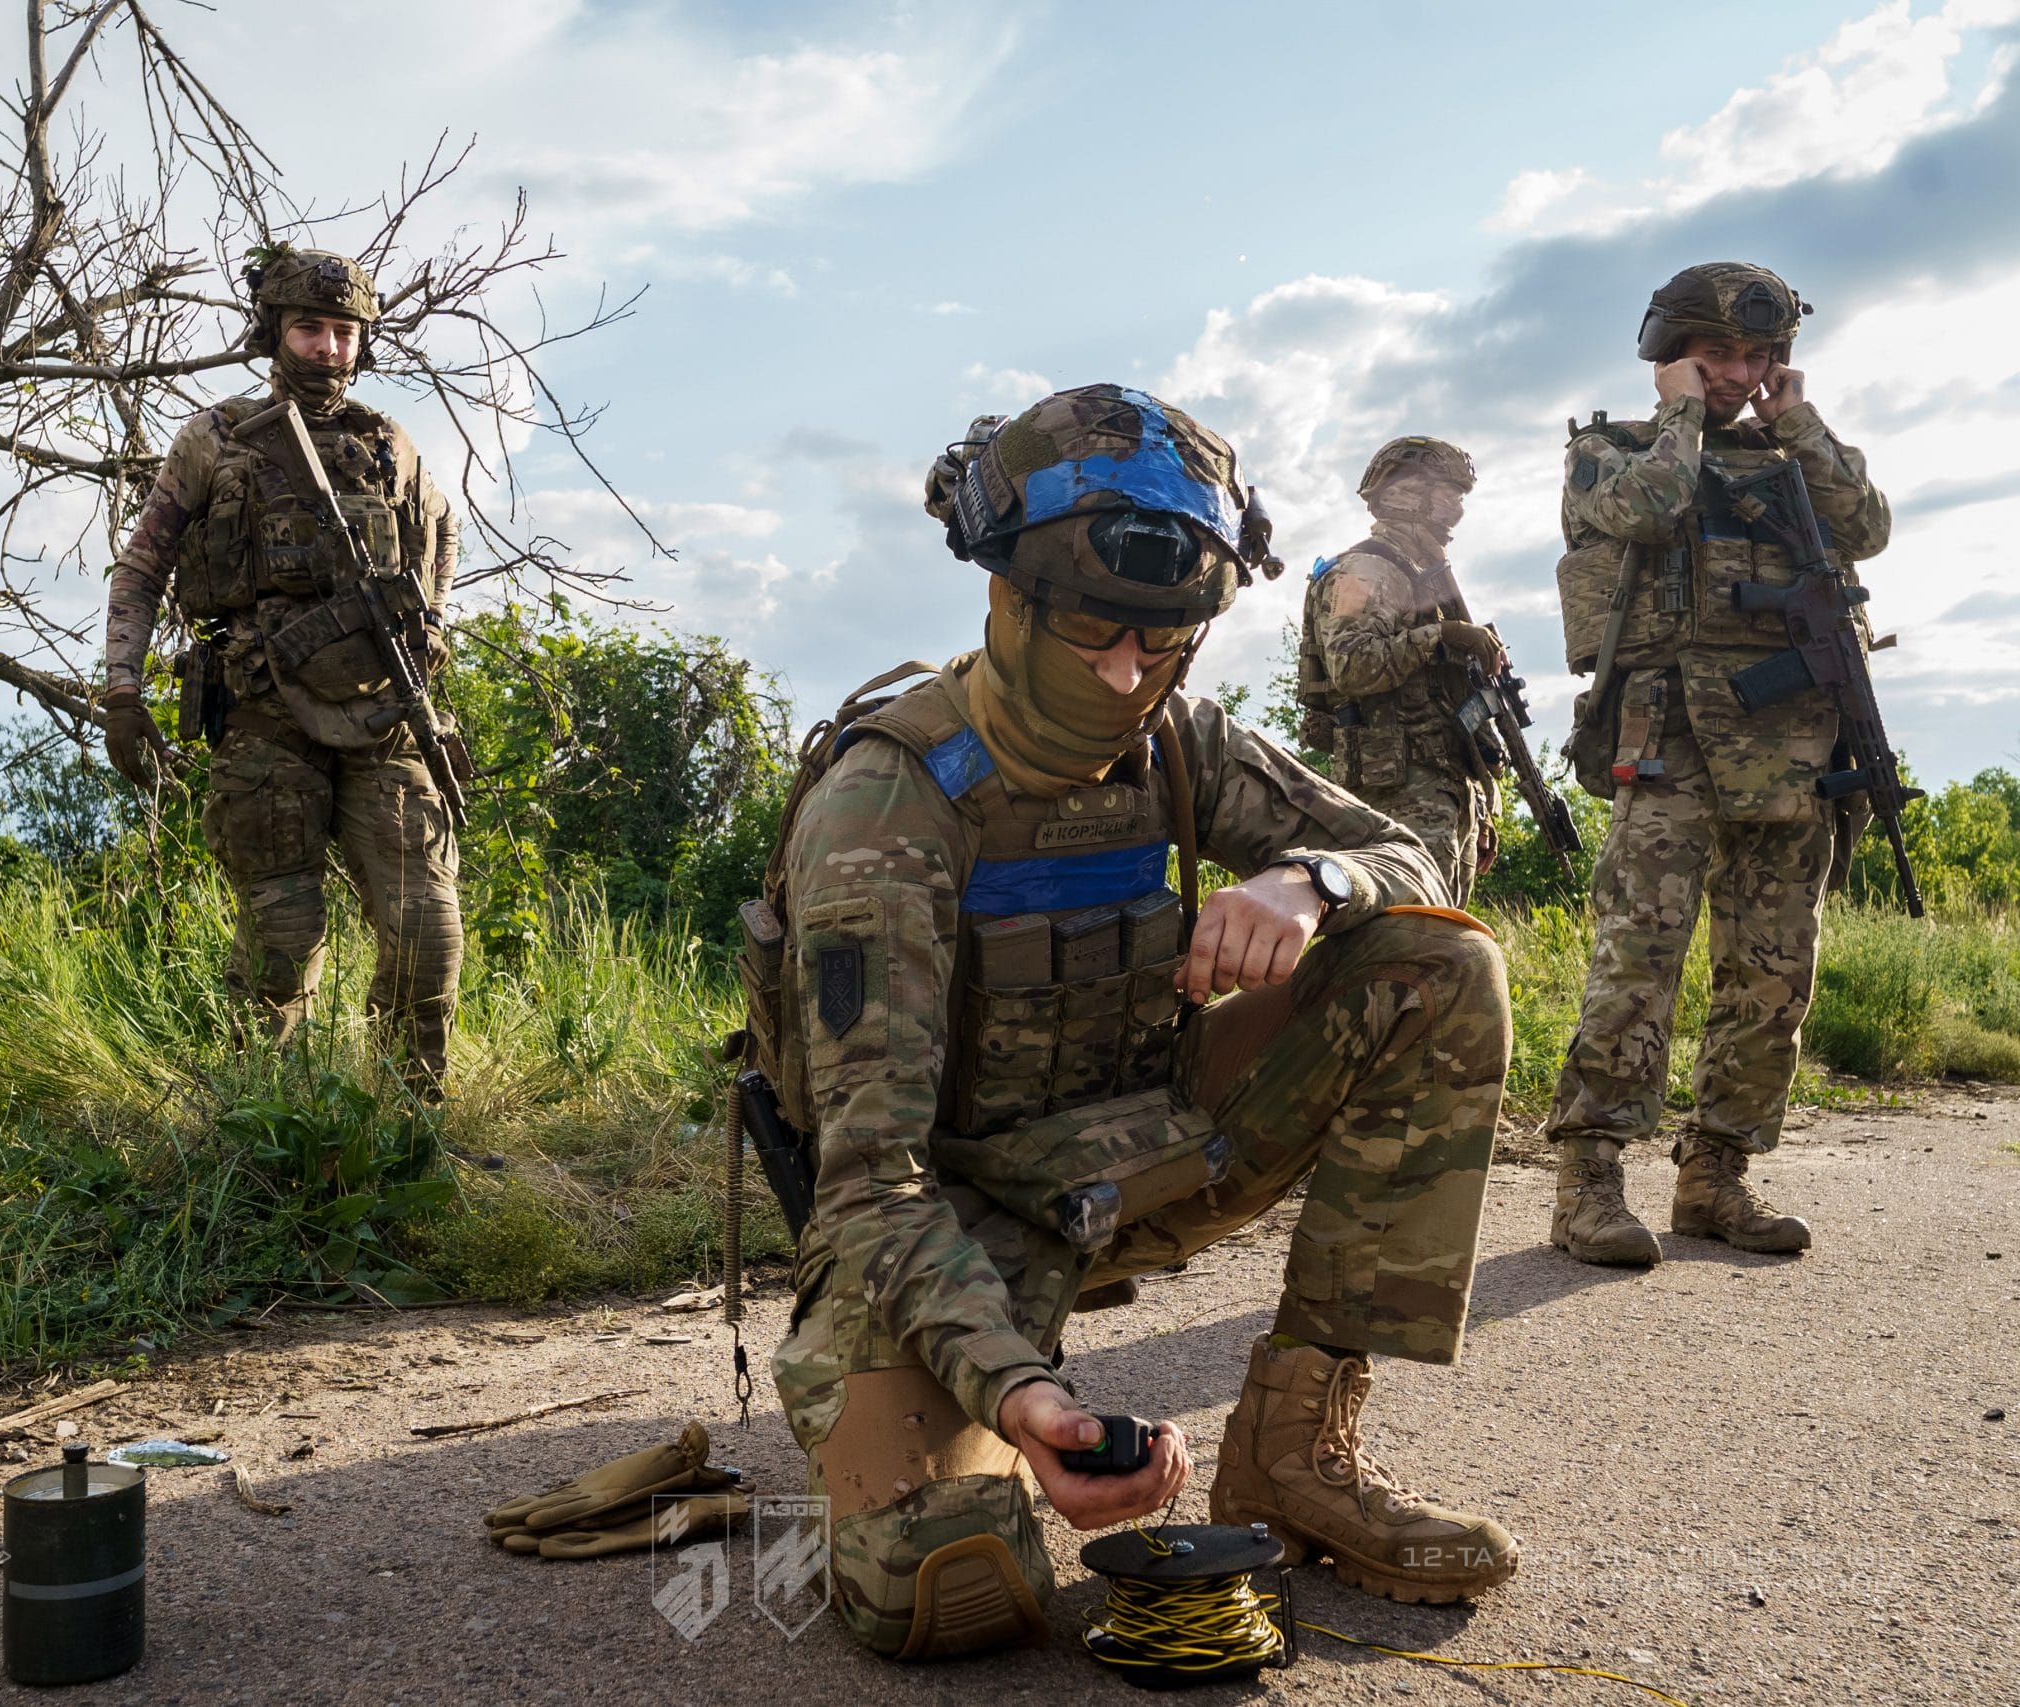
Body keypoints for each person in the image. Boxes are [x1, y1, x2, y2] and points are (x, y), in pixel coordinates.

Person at [738, 385, 1518, 1661]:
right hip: (940, 1224)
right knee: (954, 1596)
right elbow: (868, 1186)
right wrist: (1023, 1394)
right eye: (1095, 632)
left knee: (1435, 969)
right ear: (1008, 599)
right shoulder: (887, 807)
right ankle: (925, 1420)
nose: (1124, 675)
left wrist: (1310, 882)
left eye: (1164, 644)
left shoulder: (1180, 744)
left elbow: (1410, 853)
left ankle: (1291, 1455)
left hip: (1136, 1152)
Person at [1544, 262, 1888, 1266]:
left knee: (1773, 971)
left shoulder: (1793, 459)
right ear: (1671, 354)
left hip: (1793, 750)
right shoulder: (1607, 452)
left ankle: (1717, 1176)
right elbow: (1650, 509)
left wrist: (1799, 422)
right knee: (1637, 965)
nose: (1739, 372)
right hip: (1670, 744)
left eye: (1758, 355)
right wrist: (1681, 416)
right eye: (1719, 355)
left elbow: (1866, 527)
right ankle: (1587, 1186)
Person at [100, 248, 463, 1088]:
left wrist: (435, 616)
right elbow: (141, 568)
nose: (329, 348)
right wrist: (123, 691)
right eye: (310, 329)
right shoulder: (216, 437)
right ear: (274, 332)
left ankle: (410, 1122)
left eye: (344, 332)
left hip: (381, 717)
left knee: (428, 932)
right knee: (279, 946)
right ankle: (260, 1129)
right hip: (266, 720)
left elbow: (441, 530)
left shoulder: (386, 442)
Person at [1296, 437, 1503, 904]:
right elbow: (1351, 665)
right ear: (1407, 493)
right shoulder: (1367, 570)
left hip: (1441, 784)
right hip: (1396, 788)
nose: (1458, 512)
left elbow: (1451, 703)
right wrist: (1441, 638)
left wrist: (1481, 805)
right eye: (1450, 495)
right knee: (1408, 938)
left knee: (1445, 941)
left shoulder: (1420, 574)